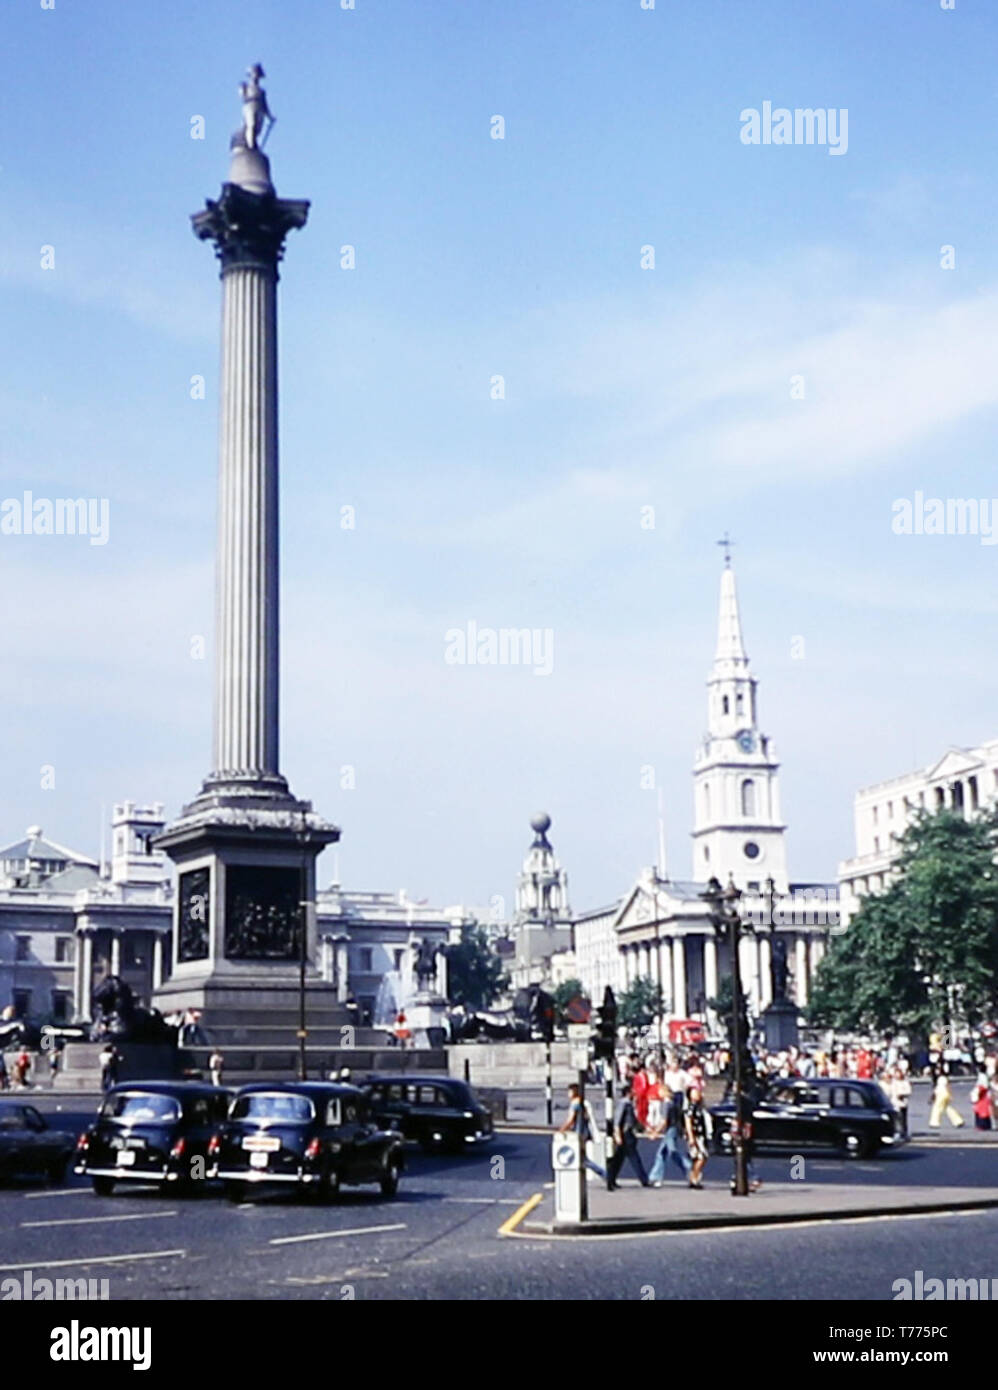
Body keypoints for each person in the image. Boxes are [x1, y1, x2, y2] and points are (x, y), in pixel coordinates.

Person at [557, 1083, 607, 1182]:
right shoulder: (583, 1102)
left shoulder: (575, 1104)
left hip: (578, 1133)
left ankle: (605, 1174)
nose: (568, 1094)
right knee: (582, 1158)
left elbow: (570, 1120)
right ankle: (603, 1175)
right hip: (584, 1132)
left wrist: (562, 1130)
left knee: (583, 1159)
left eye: (569, 1091)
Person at [606, 1079, 650, 1190]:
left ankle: (611, 1179)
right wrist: (617, 1134)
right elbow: (618, 1120)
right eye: (632, 1091)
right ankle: (643, 1179)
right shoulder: (624, 1104)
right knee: (632, 1158)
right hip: (625, 1134)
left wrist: (643, 1128)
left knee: (619, 1159)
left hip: (628, 1133)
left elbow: (633, 1120)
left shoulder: (629, 1104)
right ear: (628, 1092)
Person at [647, 1083, 691, 1186]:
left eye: (659, 1091)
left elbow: (664, 1121)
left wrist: (655, 1133)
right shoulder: (673, 1103)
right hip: (673, 1129)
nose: (658, 1093)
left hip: (670, 1130)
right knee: (662, 1154)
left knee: (672, 1152)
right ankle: (655, 1177)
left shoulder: (665, 1104)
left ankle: (689, 1168)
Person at [684, 1085, 710, 1189]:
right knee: (701, 1157)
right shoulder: (691, 1107)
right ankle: (694, 1178)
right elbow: (688, 1121)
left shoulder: (699, 1106)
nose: (697, 1094)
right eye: (694, 1092)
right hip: (696, 1136)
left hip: (701, 1135)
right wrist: (691, 1136)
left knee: (698, 1158)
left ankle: (694, 1178)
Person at [887, 1063, 911, 1138]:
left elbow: (909, 1091)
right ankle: (896, 1131)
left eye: (898, 1074)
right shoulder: (893, 1082)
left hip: (903, 1103)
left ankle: (904, 1132)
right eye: (896, 1074)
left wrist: (902, 1094)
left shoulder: (905, 1082)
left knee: (903, 1119)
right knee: (895, 1119)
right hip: (894, 1103)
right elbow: (890, 1091)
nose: (897, 1075)